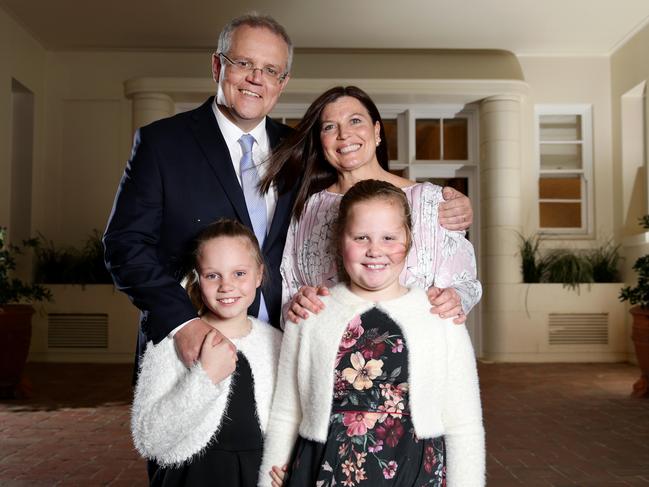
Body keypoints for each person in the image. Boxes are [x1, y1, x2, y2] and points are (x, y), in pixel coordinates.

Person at [103, 14, 473, 370]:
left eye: (270, 70)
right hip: (192, 345)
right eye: (243, 63)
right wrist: (182, 324)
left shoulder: (297, 148)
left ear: (282, 82)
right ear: (218, 66)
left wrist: (444, 203)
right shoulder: (163, 143)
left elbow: (358, 193)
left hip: (280, 354)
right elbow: (124, 247)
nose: (255, 79)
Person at [259, 180, 485, 487]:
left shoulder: (440, 315)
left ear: (409, 239)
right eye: (361, 237)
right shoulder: (312, 312)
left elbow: (464, 423)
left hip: (415, 472)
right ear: (340, 241)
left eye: (389, 237)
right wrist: (272, 471)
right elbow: (287, 411)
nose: (375, 250)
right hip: (322, 469)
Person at [260, 85, 481, 326]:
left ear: (377, 132)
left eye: (355, 121)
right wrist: (295, 306)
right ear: (321, 143)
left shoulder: (430, 201)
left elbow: (466, 284)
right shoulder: (307, 208)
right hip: (332, 353)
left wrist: (457, 297)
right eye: (330, 127)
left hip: (417, 349)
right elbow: (291, 289)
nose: (344, 134)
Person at [132, 219, 282, 486]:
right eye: (213, 275)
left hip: (257, 477)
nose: (226, 286)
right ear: (197, 278)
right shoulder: (171, 343)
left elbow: (286, 421)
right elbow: (150, 439)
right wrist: (205, 377)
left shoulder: (276, 342)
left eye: (239, 273)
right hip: (192, 477)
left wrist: (285, 462)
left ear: (259, 274)